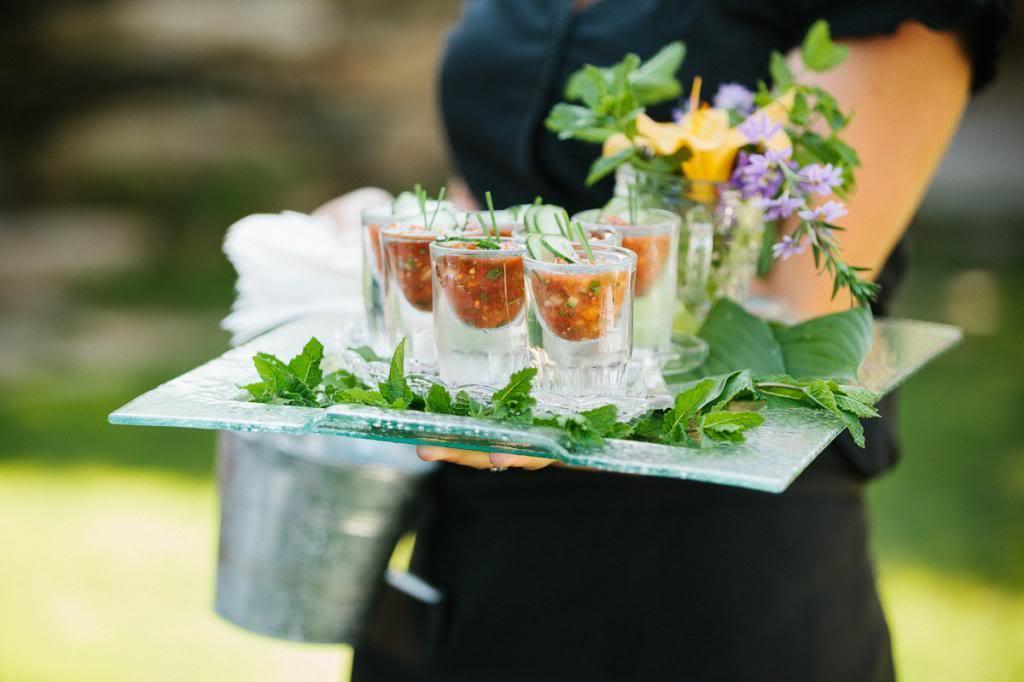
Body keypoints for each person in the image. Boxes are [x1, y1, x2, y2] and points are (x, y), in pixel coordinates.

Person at [352, 1, 1010, 680]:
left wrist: (557, 401)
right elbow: (493, 211)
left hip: (713, 557)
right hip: (478, 528)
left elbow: (798, 309)